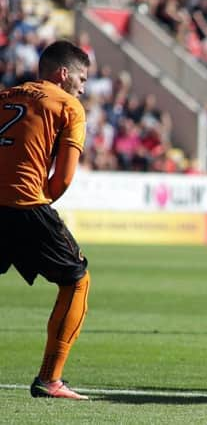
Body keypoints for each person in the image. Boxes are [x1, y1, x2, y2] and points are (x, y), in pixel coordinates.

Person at [0, 40, 91, 400]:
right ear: (63, 74)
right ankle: (50, 379)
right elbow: (64, 178)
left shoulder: (5, 94)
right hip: (26, 204)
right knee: (77, 281)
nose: (83, 88)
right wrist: (39, 206)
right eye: (81, 78)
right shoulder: (69, 106)